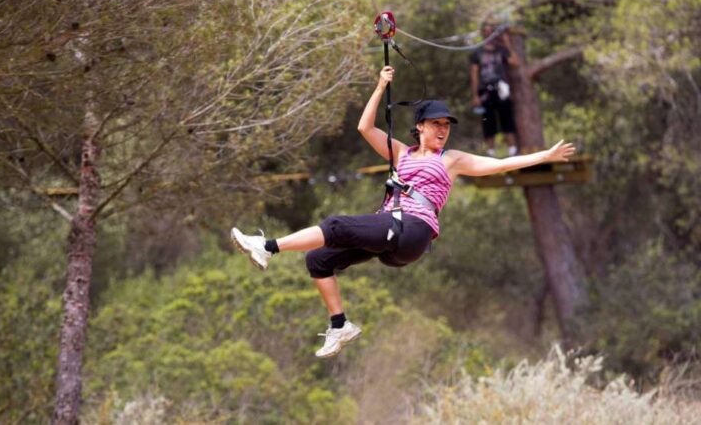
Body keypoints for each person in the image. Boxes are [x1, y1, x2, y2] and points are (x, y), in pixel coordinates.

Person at [231, 66, 576, 358]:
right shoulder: (401, 153)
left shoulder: (451, 160)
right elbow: (365, 128)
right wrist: (380, 86)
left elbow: (500, 164)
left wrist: (543, 156)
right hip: (394, 235)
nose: (443, 130)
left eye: (447, 126)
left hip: (413, 230)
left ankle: (268, 247)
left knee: (334, 224)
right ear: (420, 127)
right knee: (318, 261)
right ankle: (340, 325)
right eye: (437, 124)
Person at [470, 21, 520, 157]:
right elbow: (474, 75)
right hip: (485, 91)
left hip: (502, 90)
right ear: (482, 33)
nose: (488, 33)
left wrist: (507, 43)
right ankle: (491, 152)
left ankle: (512, 150)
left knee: (507, 119)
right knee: (488, 122)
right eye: (485, 31)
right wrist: (475, 95)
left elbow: (515, 62)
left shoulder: (501, 50)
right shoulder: (477, 52)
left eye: (490, 31)